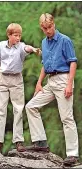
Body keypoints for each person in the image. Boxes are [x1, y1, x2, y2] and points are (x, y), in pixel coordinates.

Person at [25, 13, 79, 166]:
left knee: (66, 117)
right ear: (42, 28)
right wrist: (39, 82)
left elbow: (73, 63)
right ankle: (40, 143)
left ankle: (73, 155)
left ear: (54, 24)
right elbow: (45, 64)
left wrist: (69, 84)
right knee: (31, 106)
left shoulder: (65, 40)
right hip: (51, 80)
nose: (48, 30)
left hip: (64, 79)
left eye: (50, 27)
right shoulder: (44, 42)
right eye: (45, 28)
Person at [0, 23, 41, 154]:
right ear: (9, 35)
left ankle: (18, 141)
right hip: (3, 78)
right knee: (0, 110)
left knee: (18, 110)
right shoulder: (1, 45)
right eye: (15, 35)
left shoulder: (21, 47)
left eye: (19, 35)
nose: (18, 38)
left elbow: (27, 48)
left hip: (16, 79)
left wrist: (34, 49)